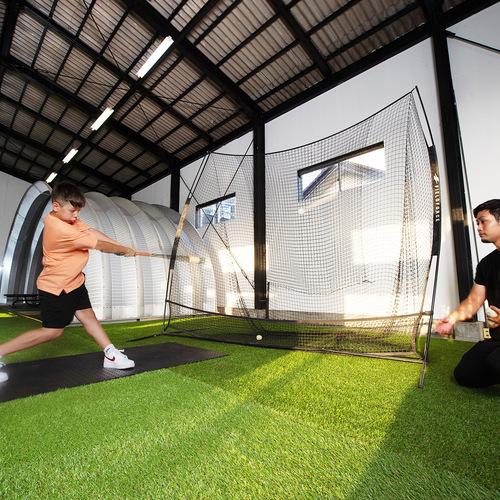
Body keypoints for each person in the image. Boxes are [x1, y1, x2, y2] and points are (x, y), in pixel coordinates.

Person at [0, 182, 138, 383]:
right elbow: (98, 245)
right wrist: (123, 251)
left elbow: (92, 232)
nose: (76, 215)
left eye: (78, 211)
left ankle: (110, 354)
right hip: (57, 287)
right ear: (56, 206)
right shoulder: (60, 230)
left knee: (88, 317)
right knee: (52, 332)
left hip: (74, 281)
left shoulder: (63, 218)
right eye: (73, 211)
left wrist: (120, 246)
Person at [436, 199, 500, 387]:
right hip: (498, 339)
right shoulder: (486, 264)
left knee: (496, 360)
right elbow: (474, 301)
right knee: (465, 374)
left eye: (483, 221)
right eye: (477, 223)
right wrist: (452, 318)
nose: (479, 227)